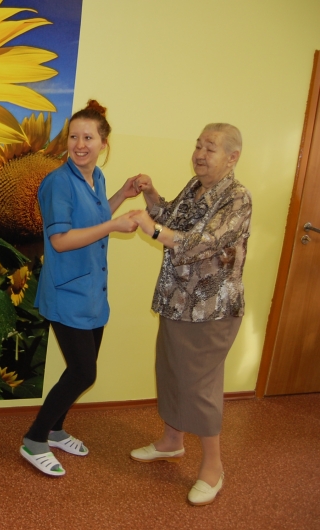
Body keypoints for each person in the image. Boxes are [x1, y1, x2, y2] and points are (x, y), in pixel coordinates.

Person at [128, 123, 251, 506]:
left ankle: (213, 467)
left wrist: (152, 231)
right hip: (176, 300)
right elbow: (171, 219)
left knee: (200, 385)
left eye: (210, 148)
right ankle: (172, 441)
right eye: (198, 145)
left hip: (212, 309)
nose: (200, 153)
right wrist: (151, 194)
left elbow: (205, 242)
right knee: (171, 371)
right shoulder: (195, 187)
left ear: (232, 157)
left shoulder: (237, 197)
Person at [20, 100, 141, 476]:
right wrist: (114, 226)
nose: (79, 144)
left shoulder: (96, 178)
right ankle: (35, 439)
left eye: (88, 137)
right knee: (84, 373)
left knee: (79, 369)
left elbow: (95, 216)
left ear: (104, 142)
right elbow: (60, 240)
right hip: (66, 294)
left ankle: (56, 431)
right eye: (74, 137)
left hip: (92, 293)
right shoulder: (58, 183)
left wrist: (121, 194)